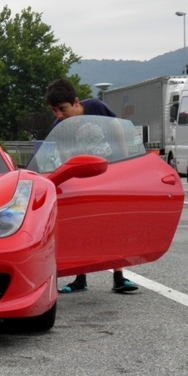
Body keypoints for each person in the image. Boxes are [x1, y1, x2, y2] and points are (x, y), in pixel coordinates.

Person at [45, 78, 138, 294]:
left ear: (76, 102)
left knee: (115, 224)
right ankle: (80, 278)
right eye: (53, 110)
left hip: (109, 174)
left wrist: (122, 161)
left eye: (62, 109)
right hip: (82, 180)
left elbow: (117, 128)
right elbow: (61, 155)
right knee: (82, 226)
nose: (58, 114)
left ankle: (119, 276)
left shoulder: (96, 106)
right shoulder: (60, 126)